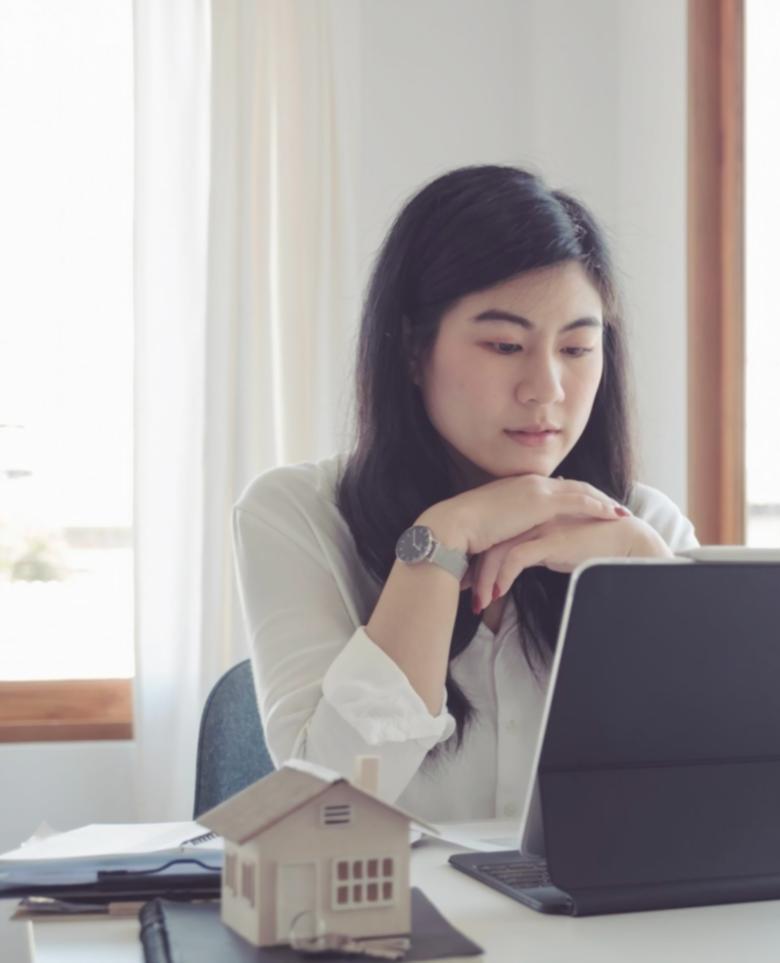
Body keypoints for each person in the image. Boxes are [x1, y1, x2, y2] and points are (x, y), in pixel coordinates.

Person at [232, 165, 697, 821]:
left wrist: (650, 582)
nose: (546, 388)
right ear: (411, 350)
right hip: (394, 893)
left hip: (586, 895)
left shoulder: (643, 526)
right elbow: (326, 804)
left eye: (576, 348)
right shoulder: (296, 515)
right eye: (505, 345)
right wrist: (441, 540)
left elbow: (713, 798)